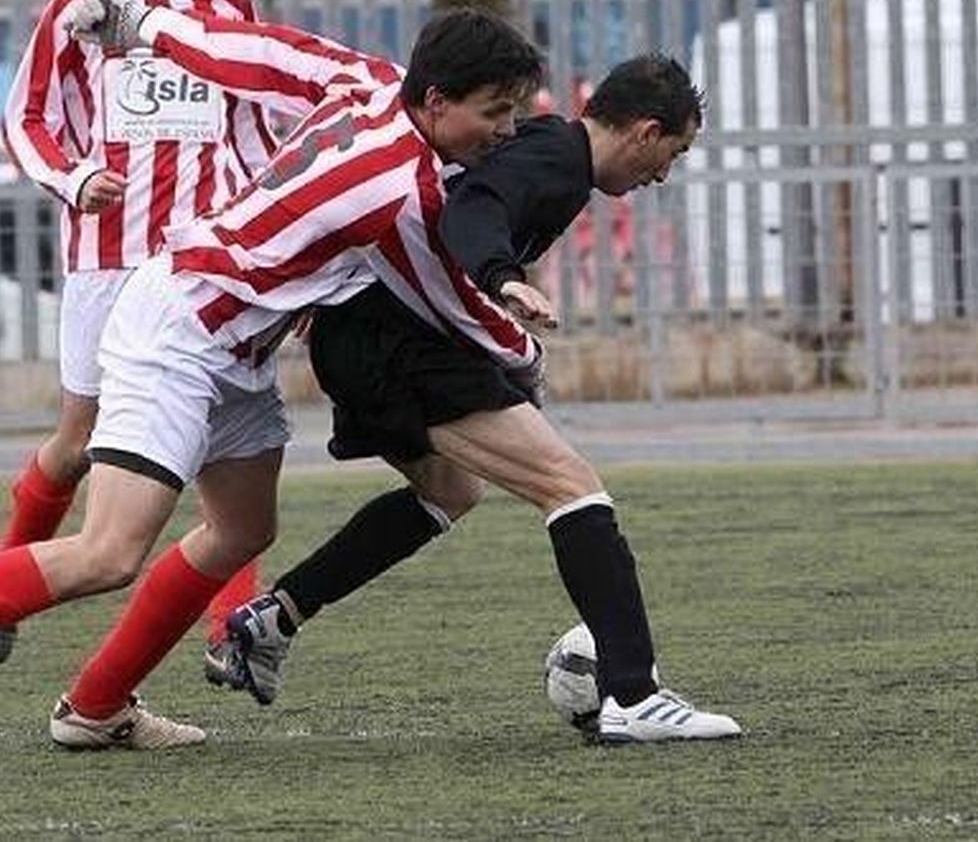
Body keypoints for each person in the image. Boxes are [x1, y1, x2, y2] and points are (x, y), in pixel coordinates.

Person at [0, 0, 546, 772]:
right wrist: (522, 350)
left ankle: (96, 706)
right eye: (494, 112)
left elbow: (256, 54)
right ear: (436, 100)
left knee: (241, 530)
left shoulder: (372, 80)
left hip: (236, 344)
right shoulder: (398, 188)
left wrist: (145, 23)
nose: (504, 131)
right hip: (182, 330)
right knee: (107, 551)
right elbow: (444, 298)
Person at [216, 54, 744, 745]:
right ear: (645, 132)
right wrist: (503, 278)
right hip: (399, 345)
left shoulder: (550, 149)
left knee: (450, 490)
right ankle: (633, 694)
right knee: (573, 486)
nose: (662, 175)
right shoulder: (558, 158)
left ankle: (274, 618)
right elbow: (474, 208)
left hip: (370, 337)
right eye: (669, 154)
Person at [0, 0, 272, 670]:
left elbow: (248, 118)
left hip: (204, 263)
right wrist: (75, 180)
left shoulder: (225, 3)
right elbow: (26, 117)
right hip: (109, 261)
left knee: (228, 431)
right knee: (79, 439)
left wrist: (256, 220)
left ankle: (231, 631)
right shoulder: (82, 6)